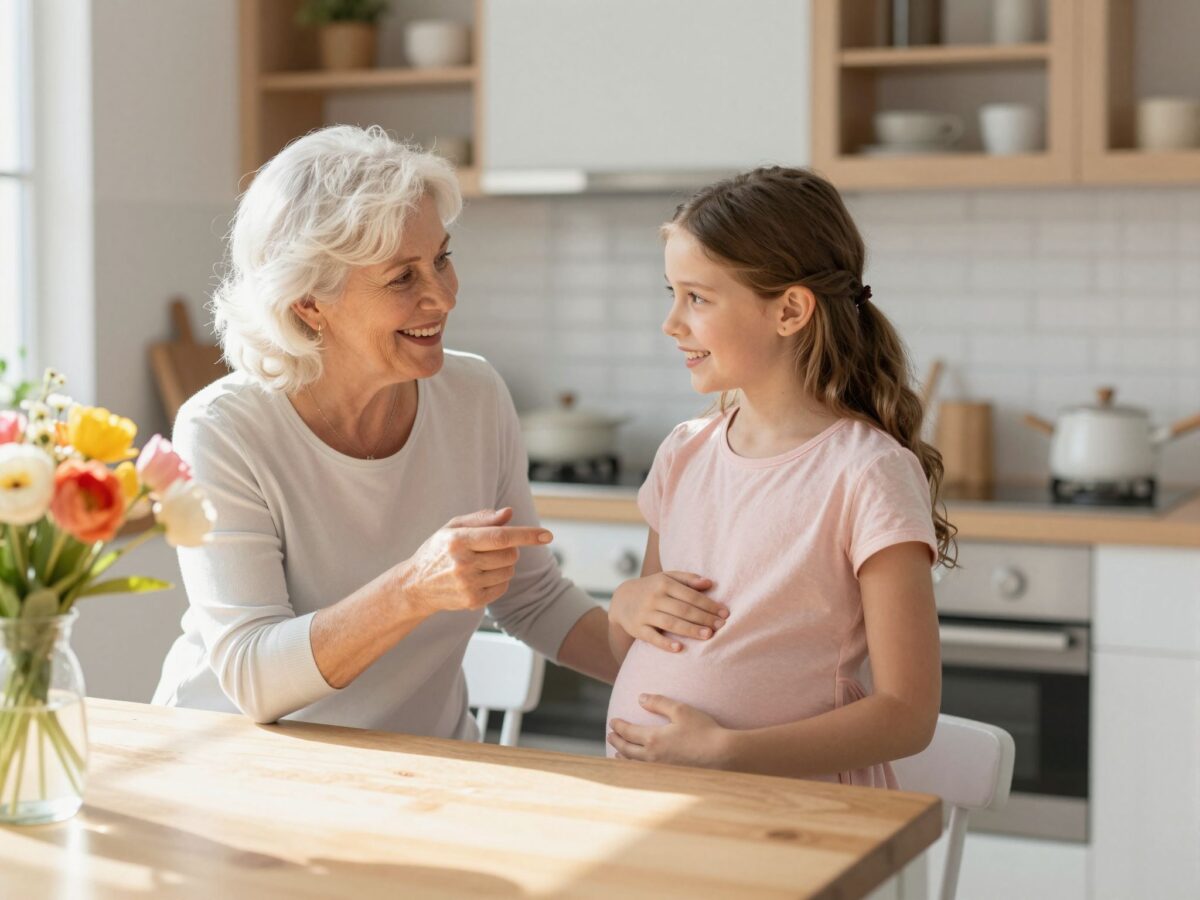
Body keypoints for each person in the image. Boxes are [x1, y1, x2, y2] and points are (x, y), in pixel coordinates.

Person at [152, 125, 616, 734]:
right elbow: (252, 676)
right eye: (403, 278)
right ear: (309, 302)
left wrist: (694, 677)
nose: (443, 297)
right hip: (242, 766)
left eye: (442, 260)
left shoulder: (473, 396)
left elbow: (534, 599)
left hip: (422, 770)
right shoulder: (223, 430)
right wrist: (412, 589)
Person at [604, 167, 953, 786]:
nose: (672, 322)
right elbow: (636, 648)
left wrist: (727, 752)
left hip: (796, 818)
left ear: (789, 309)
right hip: (665, 814)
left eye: (698, 298)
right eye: (671, 293)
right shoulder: (684, 453)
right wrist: (624, 607)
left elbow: (908, 715)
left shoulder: (867, 472)